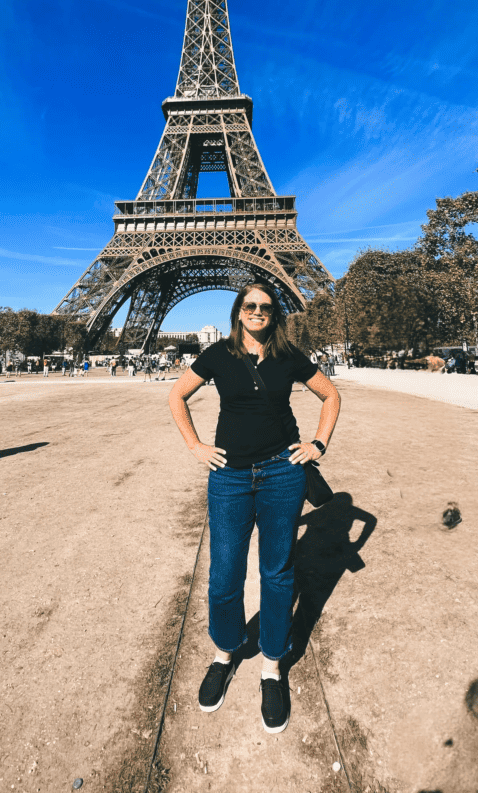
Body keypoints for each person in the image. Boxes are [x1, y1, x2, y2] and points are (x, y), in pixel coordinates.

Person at [168, 282, 341, 735]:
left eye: (265, 306)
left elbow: (331, 395)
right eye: (250, 305)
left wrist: (318, 443)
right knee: (225, 573)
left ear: (273, 313)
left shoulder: (289, 355)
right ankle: (225, 653)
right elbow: (175, 396)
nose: (258, 311)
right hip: (229, 476)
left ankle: (271, 665)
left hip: (282, 473)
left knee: (277, 572)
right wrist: (195, 446)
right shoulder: (219, 355)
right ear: (238, 312)